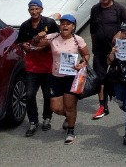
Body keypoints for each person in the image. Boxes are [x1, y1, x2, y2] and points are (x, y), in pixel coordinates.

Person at [36, 14, 89, 145]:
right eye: (62, 23)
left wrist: (82, 63)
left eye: (68, 23)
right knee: (56, 108)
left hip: (72, 78)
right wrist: (38, 37)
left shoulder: (78, 40)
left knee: (70, 106)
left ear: (73, 26)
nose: (64, 25)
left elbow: (86, 54)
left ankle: (71, 131)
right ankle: (70, 116)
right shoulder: (53, 37)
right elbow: (36, 43)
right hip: (55, 77)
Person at [16, 0, 60, 136]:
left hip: (47, 67)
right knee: (29, 95)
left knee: (47, 95)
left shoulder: (49, 23)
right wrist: (24, 45)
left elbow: (58, 38)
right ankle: (33, 122)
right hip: (32, 67)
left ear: (41, 10)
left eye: (36, 9)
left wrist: (45, 43)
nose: (34, 12)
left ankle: (47, 118)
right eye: (31, 9)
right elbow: (20, 42)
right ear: (29, 11)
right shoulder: (24, 26)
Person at [89, 0, 126, 120]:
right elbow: (92, 30)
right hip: (99, 51)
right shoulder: (95, 9)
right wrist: (93, 48)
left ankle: (119, 97)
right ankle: (103, 106)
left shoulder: (118, 8)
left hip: (115, 50)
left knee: (115, 77)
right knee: (100, 79)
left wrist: (119, 33)